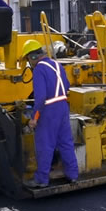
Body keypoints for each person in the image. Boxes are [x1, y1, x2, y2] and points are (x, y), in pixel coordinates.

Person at [20, 40, 79, 188]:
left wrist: (34, 118)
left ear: (33, 57)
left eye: (28, 59)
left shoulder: (39, 69)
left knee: (45, 145)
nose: (29, 63)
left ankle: (41, 179)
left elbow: (40, 97)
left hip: (49, 110)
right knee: (66, 143)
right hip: (63, 106)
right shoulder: (57, 65)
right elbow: (66, 85)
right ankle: (72, 175)